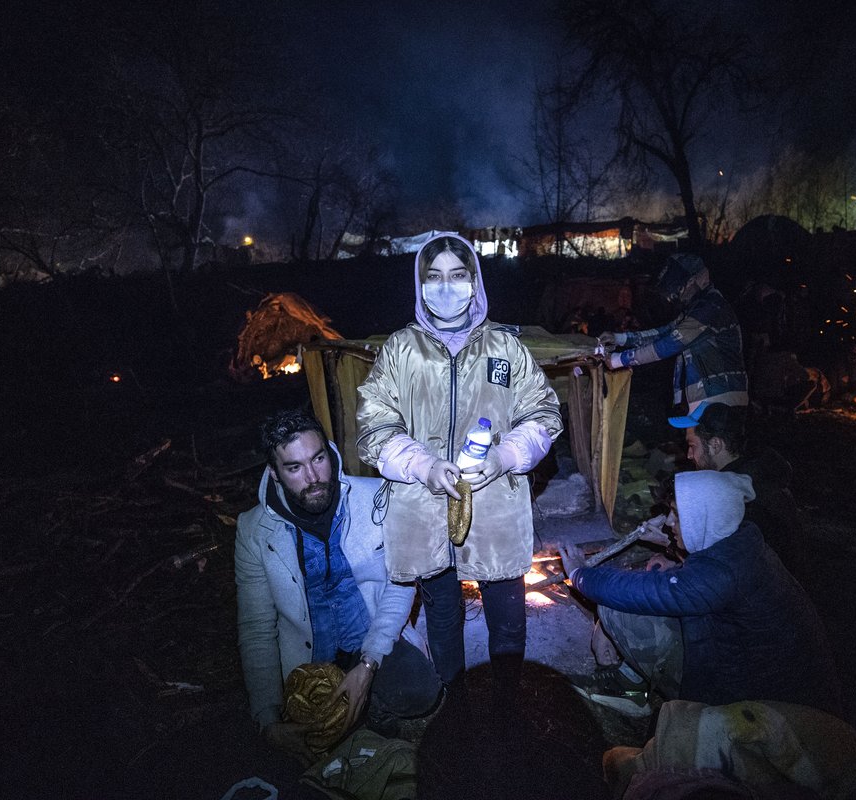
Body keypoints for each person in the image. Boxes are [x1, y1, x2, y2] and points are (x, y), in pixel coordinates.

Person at [355, 231, 563, 703]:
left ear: (475, 281)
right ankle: (455, 702)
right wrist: (423, 465)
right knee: (443, 618)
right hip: (425, 510)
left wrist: (505, 456)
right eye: (434, 277)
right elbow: (373, 424)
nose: (446, 287)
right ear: (420, 284)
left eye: (457, 275)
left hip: (495, 512)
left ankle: (508, 704)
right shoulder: (399, 351)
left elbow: (545, 414)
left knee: (508, 621)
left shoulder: (506, 350)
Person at [235, 410, 442, 765]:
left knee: (421, 690)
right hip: (308, 661)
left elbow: (401, 581)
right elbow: (256, 629)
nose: (314, 477)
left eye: (318, 459)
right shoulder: (254, 531)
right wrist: (268, 720)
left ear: (329, 454)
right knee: (295, 749)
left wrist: (369, 663)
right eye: (294, 468)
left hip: (371, 637)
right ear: (275, 474)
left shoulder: (375, 497)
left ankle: (370, 709)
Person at [563, 470, 841, 717]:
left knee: (620, 606)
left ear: (702, 517)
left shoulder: (720, 576)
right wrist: (674, 554)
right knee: (650, 583)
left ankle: (633, 692)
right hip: (755, 676)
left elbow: (643, 592)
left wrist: (580, 574)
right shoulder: (741, 543)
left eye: (678, 515)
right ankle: (633, 680)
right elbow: (702, 573)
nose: (670, 521)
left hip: (747, 706)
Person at [669, 401, 808, 582]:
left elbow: (726, 573)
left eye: (692, 446)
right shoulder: (753, 473)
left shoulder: (740, 500)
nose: (688, 455)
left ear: (716, 445)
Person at [599, 253, 748, 413]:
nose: (676, 296)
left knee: (706, 439)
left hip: (720, 398)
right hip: (707, 396)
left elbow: (671, 343)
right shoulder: (696, 307)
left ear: (693, 281)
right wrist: (619, 338)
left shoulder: (710, 308)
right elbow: (665, 333)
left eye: (679, 289)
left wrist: (619, 360)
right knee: (693, 438)